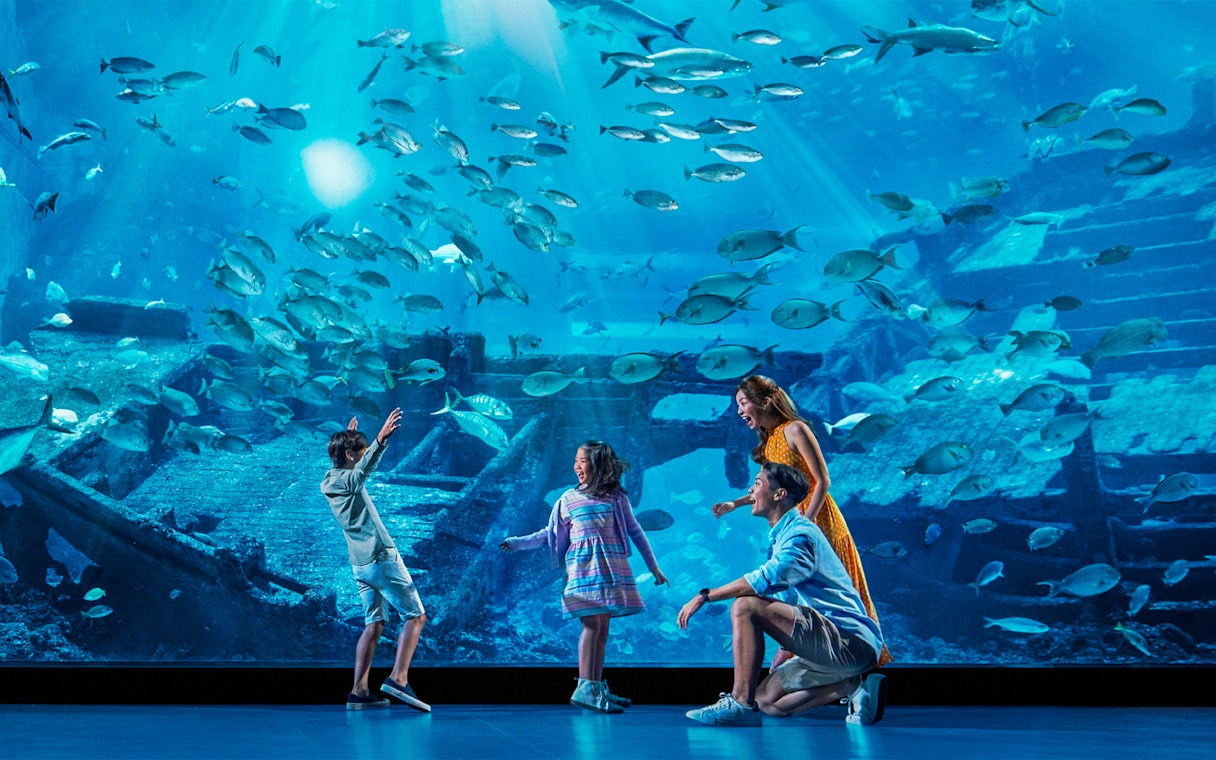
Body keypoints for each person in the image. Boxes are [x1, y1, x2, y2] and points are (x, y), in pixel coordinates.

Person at [680, 462, 887, 727]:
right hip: (835, 649)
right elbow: (793, 598)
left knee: (745, 605)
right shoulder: (785, 534)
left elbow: (770, 578)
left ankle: (740, 704)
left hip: (850, 641)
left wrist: (705, 596)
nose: (750, 489)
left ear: (779, 494)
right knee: (767, 701)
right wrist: (787, 647)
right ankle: (853, 687)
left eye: (757, 483)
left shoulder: (800, 534)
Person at [714, 375, 892, 667]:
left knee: (838, 591)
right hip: (791, 522)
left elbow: (822, 480)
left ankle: (860, 664)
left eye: (744, 403)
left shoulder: (796, 429)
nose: (739, 410)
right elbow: (767, 486)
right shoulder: (769, 440)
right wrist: (736, 503)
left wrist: (804, 525)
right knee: (800, 591)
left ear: (765, 402)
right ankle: (810, 659)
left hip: (818, 518)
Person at [501, 440, 669, 713]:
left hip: (611, 569)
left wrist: (653, 567)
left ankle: (595, 686)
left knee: (602, 629)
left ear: (600, 465)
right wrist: (517, 543)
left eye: (583, 461)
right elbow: (548, 534)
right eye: (576, 460)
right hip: (582, 571)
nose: (577, 466)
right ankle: (584, 689)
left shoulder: (616, 497)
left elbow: (636, 531)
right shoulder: (568, 499)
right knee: (591, 626)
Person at [322, 408, 429, 712]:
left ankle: (358, 691)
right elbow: (359, 475)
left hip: (361, 566)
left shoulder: (331, 479)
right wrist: (380, 441)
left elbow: (350, 470)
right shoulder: (349, 480)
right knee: (416, 616)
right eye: (362, 451)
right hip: (381, 559)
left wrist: (348, 439)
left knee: (374, 624)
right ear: (350, 455)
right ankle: (398, 678)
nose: (366, 453)